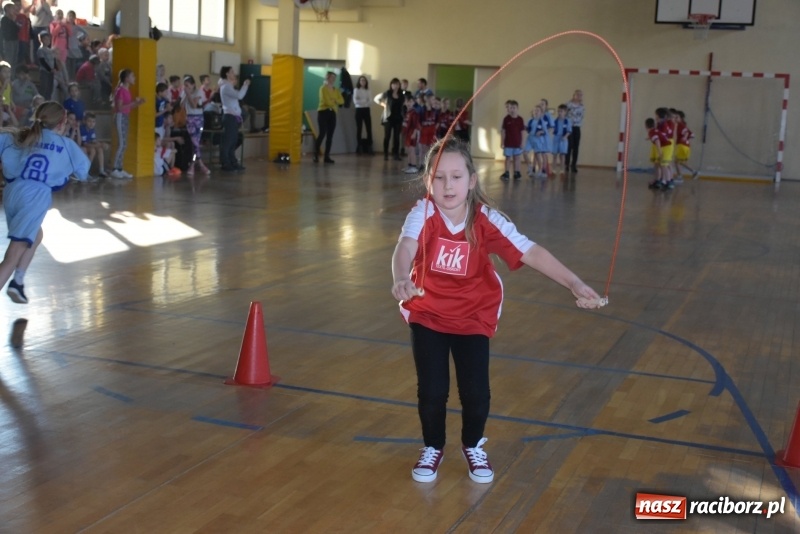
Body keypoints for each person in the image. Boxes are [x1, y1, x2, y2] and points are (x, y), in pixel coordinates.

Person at [390, 137, 601, 484]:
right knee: (432, 390)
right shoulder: (423, 212)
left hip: (474, 316)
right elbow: (405, 246)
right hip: (428, 313)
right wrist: (400, 276)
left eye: (456, 177)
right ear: (428, 180)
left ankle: (472, 444)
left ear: (472, 181)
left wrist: (574, 283)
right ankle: (433, 447)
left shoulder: (485, 219)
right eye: (439, 177)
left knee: (475, 393)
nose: (447, 186)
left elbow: (530, 251)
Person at [0, 100, 91, 305]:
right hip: (35, 196)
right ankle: (14, 280)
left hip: (12, 192)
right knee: (13, 254)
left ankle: (18, 282)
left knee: (36, 234)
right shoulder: (66, 145)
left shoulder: (20, 136)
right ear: (62, 122)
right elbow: (83, 172)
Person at [111, 68, 145, 179]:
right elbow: (120, 107)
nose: (134, 78)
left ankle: (120, 168)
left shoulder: (126, 90)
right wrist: (134, 103)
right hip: (120, 117)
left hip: (125, 116)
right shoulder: (120, 90)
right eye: (132, 76)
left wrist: (138, 103)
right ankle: (115, 168)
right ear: (126, 79)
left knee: (124, 143)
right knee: (121, 143)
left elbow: (129, 106)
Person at [217, 65, 249, 172]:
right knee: (228, 142)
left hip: (233, 117)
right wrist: (245, 85)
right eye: (231, 71)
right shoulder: (225, 87)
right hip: (229, 117)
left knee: (233, 141)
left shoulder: (228, 86)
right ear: (227, 74)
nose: (234, 73)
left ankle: (233, 162)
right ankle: (226, 163)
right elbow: (239, 96)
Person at [180, 74, 209, 176]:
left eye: (188, 85)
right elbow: (181, 105)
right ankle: (200, 164)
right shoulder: (185, 93)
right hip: (189, 119)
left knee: (196, 143)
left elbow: (193, 105)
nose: (186, 87)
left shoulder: (198, 92)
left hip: (199, 119)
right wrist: (185, 95)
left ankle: (193, 164)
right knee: (195, 142)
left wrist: (188, 95)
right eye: (185, 85)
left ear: (193, 85)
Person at [313, 71, 344, 164]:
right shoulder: (323, 88)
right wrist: (334, 101)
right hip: (323, 112)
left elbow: (342, 100)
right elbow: (325, 101)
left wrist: (334, 100)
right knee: (322, 133)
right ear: (327, 78)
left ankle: (327, 156)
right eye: (331, 78)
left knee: (330, 136)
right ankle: (316, 155)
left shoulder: (336, 90)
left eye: (334, 78)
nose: (333, 79)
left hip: (332, 113)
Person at [374, 77, 403, 161]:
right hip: (388, 118)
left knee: (397, 137)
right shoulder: (387, 93)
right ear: (391, 85)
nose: (395, 86)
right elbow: (376, 99)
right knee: (387, 136)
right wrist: (383, 104)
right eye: (394, 84)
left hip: (398, 118)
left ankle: (396, 154)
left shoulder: (401, 95)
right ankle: (386, 153)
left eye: (397, 84)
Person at [645, 116, 673, 190]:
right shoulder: (654, 131)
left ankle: (668, 182)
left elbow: (657, 141)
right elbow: (660, 136)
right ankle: (658, 180)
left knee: (664, 165)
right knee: (657, 164)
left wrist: (660, 152)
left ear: (646, 126)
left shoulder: (652, 132)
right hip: (665, 147)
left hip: (666, 148)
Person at [500, 99, 524, 180]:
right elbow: (503, 131)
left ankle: (517, 172)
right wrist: (502, 142)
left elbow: (522, 132)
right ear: (509, 109)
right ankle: (506, 172)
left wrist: (522, 142)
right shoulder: (506, 119)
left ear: (517, 108)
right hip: (508, 143)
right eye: (511, 108)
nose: (513, 110)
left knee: (517, 158)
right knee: (508, 158)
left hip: (517, 143)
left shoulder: (520, 119)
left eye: (514, 108)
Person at [80, 111, 109, 179]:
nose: (91, 124)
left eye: (93, 122)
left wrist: (102, 144)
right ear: (85, 121)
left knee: (100, 149)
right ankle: (86, 171)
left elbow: (94, 141)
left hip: (88, 145)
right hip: (81, 146)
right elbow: (85, 144)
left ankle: (101, 171)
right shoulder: (82, 129)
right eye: (89, 121)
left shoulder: (92, 130)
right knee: (93, 150)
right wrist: (99, 145)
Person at [352, 75, 374, 155]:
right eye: (361, 80)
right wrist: (365, 100)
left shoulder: (368, 90)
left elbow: (371, 101)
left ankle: (370, 146)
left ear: (366, 82)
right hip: (359, 110)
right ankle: (359, 147)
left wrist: (361, 100)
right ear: (359, 81)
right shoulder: (356, 90)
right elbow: (355, 101)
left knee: (369, 128)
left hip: (366, 110)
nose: (363, 82)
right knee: (359, 128)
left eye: (364, 80)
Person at [401, 94, 420, 174]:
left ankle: (414, 166)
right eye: (407, 101)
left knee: (412, 150)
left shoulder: (414, 113)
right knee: (408, 150)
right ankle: (409, 165)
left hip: (412, 133)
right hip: (407, 133)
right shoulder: (407, 112)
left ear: (413, 102)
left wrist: (414, 133)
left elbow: (416, 125)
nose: (409, 103)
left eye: (411, 101)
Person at [566, 89, 584, 173]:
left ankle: (574, 165)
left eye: (581, 95)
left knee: (576, 147)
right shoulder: (568, 105)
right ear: (574, 95)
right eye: (578, 95)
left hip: (577, 127)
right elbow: (565, 116)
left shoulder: (582, 106)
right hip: (569, 128)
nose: (580, 96)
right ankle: (566, 165)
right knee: (569, 146)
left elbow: (582, 116)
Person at [551, 104, 572, 175]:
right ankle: (553, 169)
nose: (559, 113)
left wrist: (565, 136)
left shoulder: (567, 121)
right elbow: (552, 128)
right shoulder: (555, 120)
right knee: (554, 155)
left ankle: (562, 170)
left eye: (561, 111)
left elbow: (569, 131)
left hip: (563, 139)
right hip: (556, 138)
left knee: (562, 155)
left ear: (565, 112)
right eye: (558, 111)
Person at [1, 1, 20, 72]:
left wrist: (14, 21)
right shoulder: (4, 19)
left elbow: (17, 30)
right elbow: (7, 32)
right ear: (7, 9)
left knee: (14, 61)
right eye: (12, 8)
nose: (14, 10)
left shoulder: (13, 19)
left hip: (15, 40)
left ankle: (13, 77)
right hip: (8, 42)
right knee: (9, 61)